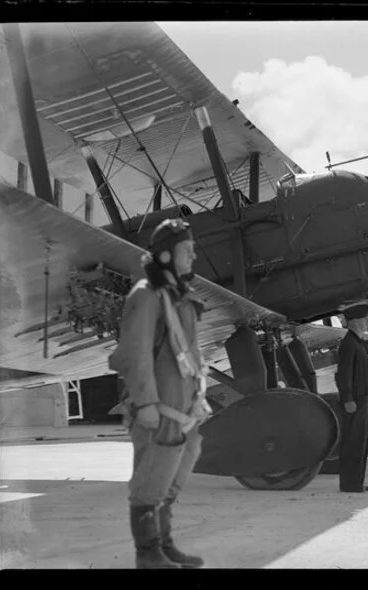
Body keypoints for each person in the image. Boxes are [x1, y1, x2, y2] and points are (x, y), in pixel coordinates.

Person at [109, 218, 212, 569]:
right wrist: (146, 402)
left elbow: (191, 353)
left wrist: (200, 396)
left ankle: (164, 545)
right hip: (159, 408)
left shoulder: (179, 296)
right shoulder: (146, 294)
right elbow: (134, 354)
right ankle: (148, 554)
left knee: (173, 477)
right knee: (151, 480)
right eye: (187, 250)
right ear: (166, 255)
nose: (193, 257)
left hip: (184, 408)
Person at [335, 303, 368, 492]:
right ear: (356, 321)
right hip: (356, 400)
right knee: (353, 442)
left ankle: (357, 481)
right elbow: (344, 373)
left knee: (361, 443)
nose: (367, 322)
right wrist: (347, 398)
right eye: (365, 319)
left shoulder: (358, 342)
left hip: (364, 399)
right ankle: (350, 483)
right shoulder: (349, 343)